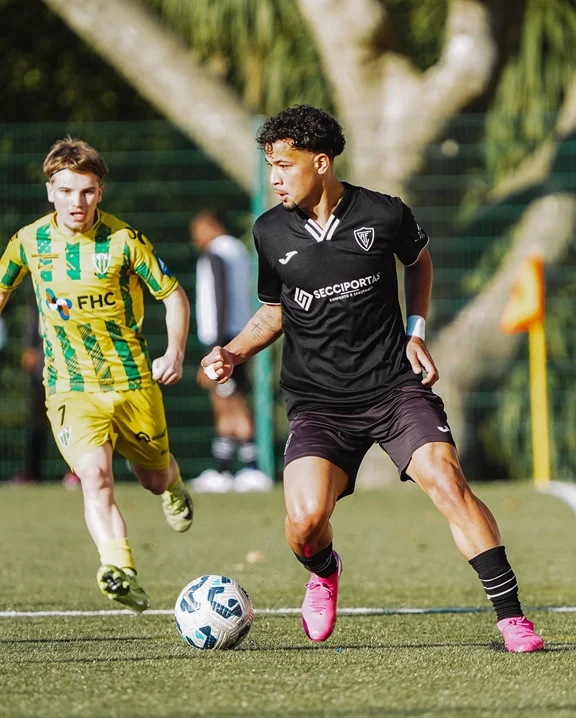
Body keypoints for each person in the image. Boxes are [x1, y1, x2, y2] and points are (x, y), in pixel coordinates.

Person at [201, 105, 544, 653]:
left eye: (284, 165)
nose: (274, 178)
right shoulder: (269, 231)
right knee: (305, 522)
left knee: (447, 480)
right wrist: (234, 352)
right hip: (319, 404)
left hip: (393, 388)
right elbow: (275, 309)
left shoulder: (384, 214)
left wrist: (415, 330)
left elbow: (420, 262)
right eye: (269, 165)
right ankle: (325, 569)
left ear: (320, 162)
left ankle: (512, 618)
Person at [0, 137, 193, 613]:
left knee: (151, 479)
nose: (76, 202)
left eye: (86, 191)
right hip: (70, 387)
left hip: (131, 384)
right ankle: (120, 568)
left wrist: (175, 352)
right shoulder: (28, 242)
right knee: (95, 475)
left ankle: (172, 486)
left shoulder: (125, 242)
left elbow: (173, 296)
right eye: (66, 191)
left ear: (100, 192)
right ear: (50, 191)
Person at [189, 210, 271, 493]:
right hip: (239, 333)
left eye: (198, 230)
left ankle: (247, 468)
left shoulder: (216, 253)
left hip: (220, 338)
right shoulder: (237, 250)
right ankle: (225, 468)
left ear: (211, 226)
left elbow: (220, 296)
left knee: (228, 404)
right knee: (232, 400)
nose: (196, 238)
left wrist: (217, 348)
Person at [8, 298, 80, 487]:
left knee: (73, 418)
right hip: (44, 359)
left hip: (70, 357)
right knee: (37, 418)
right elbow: (35, 315)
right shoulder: (40, 279)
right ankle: (32, 472)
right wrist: (31, 346)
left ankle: (76, 472)